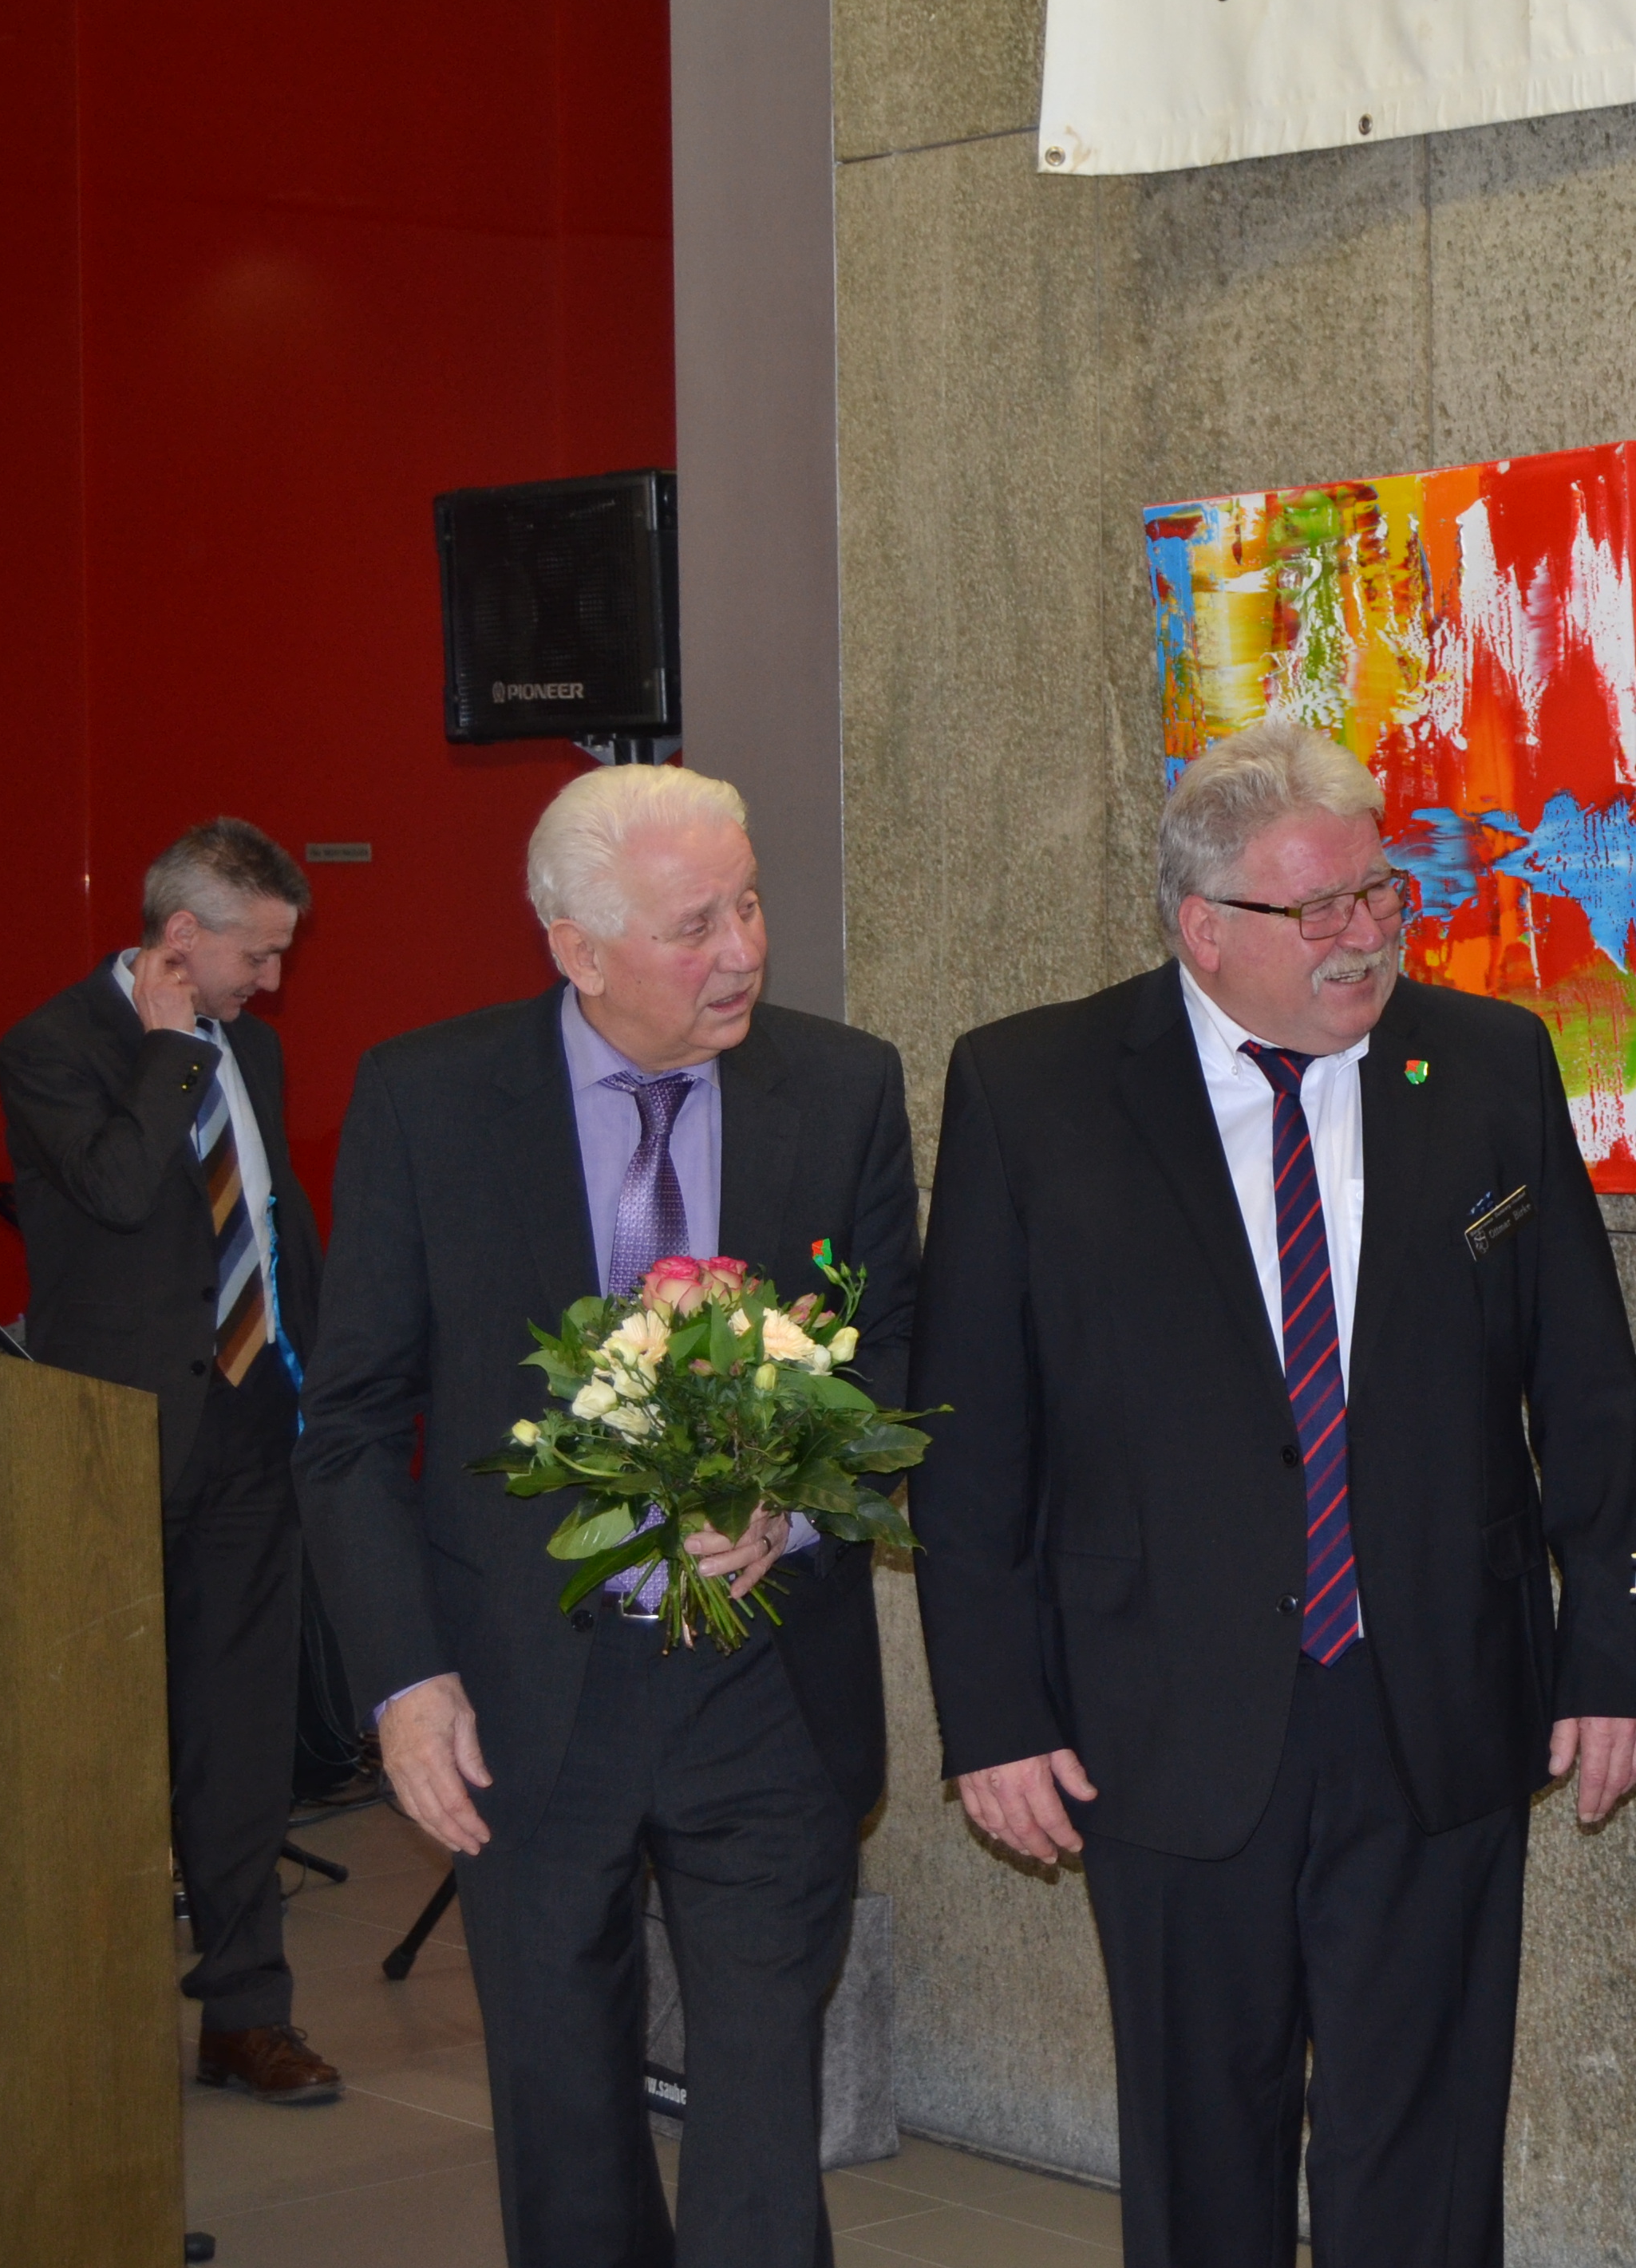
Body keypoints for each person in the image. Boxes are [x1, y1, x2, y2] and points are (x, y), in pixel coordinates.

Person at [911, 719, 1636, 2268]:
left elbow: (1586, 1392)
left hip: (1436, 1699)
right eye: (1318, 909)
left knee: (1426, 2157)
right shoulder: (1032, 1088)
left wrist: (1614, 1655)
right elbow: (972, 1440)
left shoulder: (1486, 1063)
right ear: (1204, 928)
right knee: (1204, 2155)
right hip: (1162, 1714)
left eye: (1379, 894)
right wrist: (992, 1714)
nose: (1365, 936)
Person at [294, 765, 921, 2267]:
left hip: (768, 1688)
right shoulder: (428, 1099)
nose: (743, 951)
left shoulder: (842, 1087)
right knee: (564, 2114)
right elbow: (353, 1423)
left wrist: (794, 1510)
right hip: (522, 1694)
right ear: (576, 948)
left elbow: (896, 1363)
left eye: (750, 905)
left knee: (763, 2113)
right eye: (695, 925)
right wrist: (403, 1680)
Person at [2, 818, 338, 2103]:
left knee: (241, 1741)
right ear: (181, 938)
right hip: (114, 1443)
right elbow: (117, 1189)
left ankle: (247, 2015)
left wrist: (331, 1381)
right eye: (258, 954)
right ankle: (79, 2021)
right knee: (100, 1740)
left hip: (253, 1431)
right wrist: (165, 1048)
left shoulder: (258, 1046)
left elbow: (272, 1222)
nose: (274, 981)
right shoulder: (54, 1046)